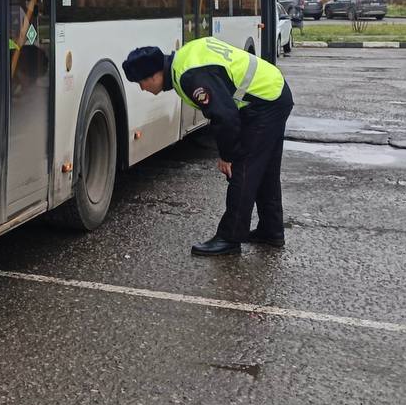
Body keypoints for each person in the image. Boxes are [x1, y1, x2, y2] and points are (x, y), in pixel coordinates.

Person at [123, 38, 294, 257]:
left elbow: (225, 117)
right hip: (272, 92)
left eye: (141, 83)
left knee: (243, 170)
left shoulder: (190, 76)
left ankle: (229, 238)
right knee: (265, 169)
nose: (142, 89)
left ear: (155, 74)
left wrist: (227, 155)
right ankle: (271, 231)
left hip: (265, 102)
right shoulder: (183, 61)